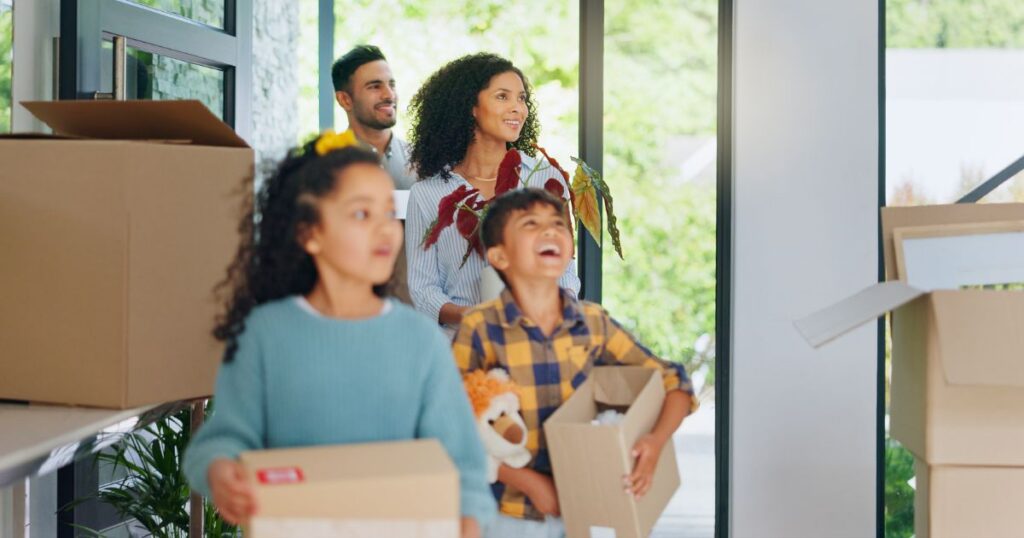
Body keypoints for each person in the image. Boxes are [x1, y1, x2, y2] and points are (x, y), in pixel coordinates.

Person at [182, 133, 495, 537]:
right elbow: (220, 441)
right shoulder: (266, 334)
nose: (385, 230)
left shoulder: (420, 340)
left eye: (388, 213)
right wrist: (222, 471)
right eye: (362, 215)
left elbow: (465, 467)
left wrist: (469, 522)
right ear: (309, 233)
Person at [452, 188, 698, 538]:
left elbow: (675, 381)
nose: (551, 230)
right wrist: (527, 480)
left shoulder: (593, 323)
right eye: (531, 224)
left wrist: (655, 444)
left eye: (557, 223)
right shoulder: (480, 327)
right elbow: (454, 425)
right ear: (500, 256)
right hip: (506, 513)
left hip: (584, 508)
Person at [405, 53, 580, 334]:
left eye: (521, 98)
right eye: (502, 97)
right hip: (460, 352)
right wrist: (474, 316)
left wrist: (560, 307)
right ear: (470, 106)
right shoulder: (428, 195)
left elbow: (566, 271)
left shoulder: (545, 180)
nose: (517, 109)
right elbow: (422, 290)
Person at [332, 44, 416, 303]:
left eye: (391, 84)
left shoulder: (423, 161)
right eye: (374, 86)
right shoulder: (326, 164)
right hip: (350, 307)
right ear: (345, 99)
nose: (389, 94)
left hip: (415, 309)